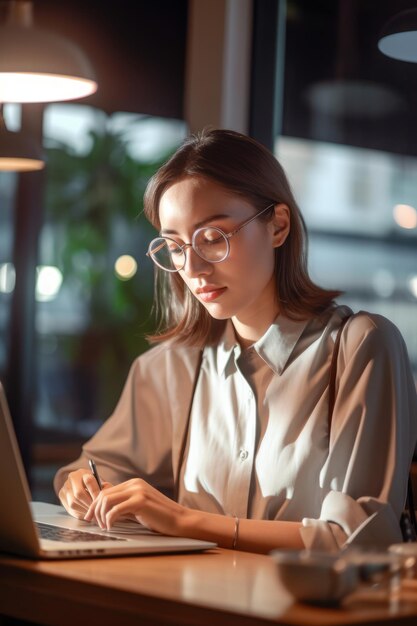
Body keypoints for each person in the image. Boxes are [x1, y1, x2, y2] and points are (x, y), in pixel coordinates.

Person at [55, 128, 417, 553]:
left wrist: (183, 520)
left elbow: (356, 538)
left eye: (212, 238)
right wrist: (80, 485)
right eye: (174, 247)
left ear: (278, 225)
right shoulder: (171, 366)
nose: (192, 267)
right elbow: (93, 469)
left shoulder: (361, 347)